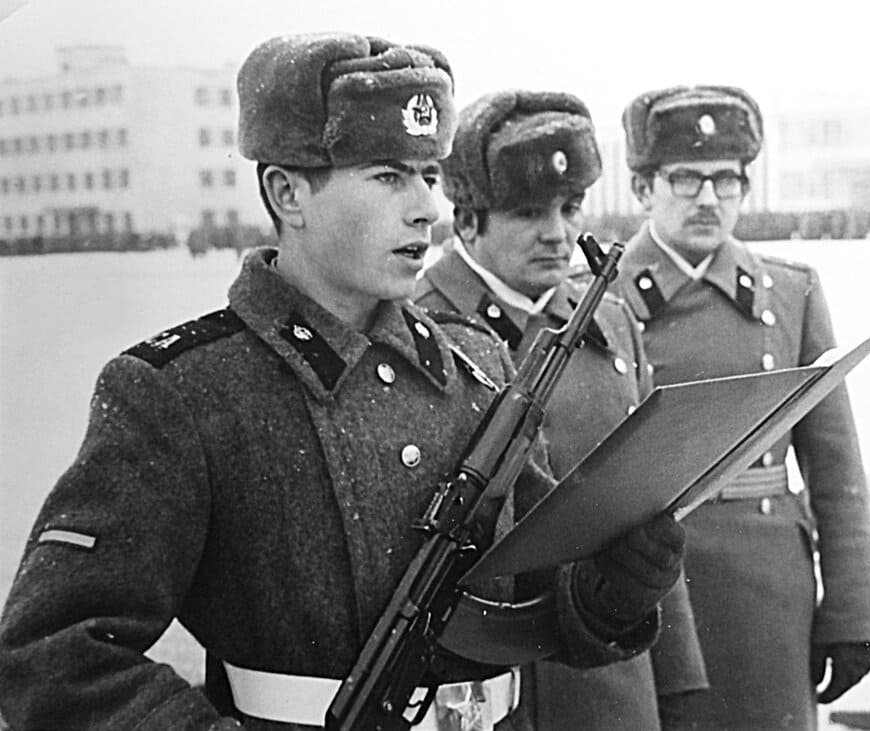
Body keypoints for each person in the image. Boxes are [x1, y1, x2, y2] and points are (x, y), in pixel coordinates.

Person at [0, 33, 687, 731]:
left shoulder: (476, 370)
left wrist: (614, 590)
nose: (427, 208)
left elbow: (538, 596)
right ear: (287, 192)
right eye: (390, 176)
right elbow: (53, 650)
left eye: (429, 174)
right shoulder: (187, 393)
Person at [413, 89, 708, 730]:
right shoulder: (419, 328)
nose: (558, 233)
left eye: (570, 208)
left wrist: (679, 680)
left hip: (607, 684)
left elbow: (651, 513)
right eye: (528, 212)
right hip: (478, 697)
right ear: (467, 221)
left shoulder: (608, 319)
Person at [613, 85, 870, 730]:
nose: (709, 198)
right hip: (650, 586)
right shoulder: (597, 302)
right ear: (642, 187)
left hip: (769, 587)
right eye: (685, 179)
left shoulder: (790, 294)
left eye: (727, 180)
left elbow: (837, 470)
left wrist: (855, 611)